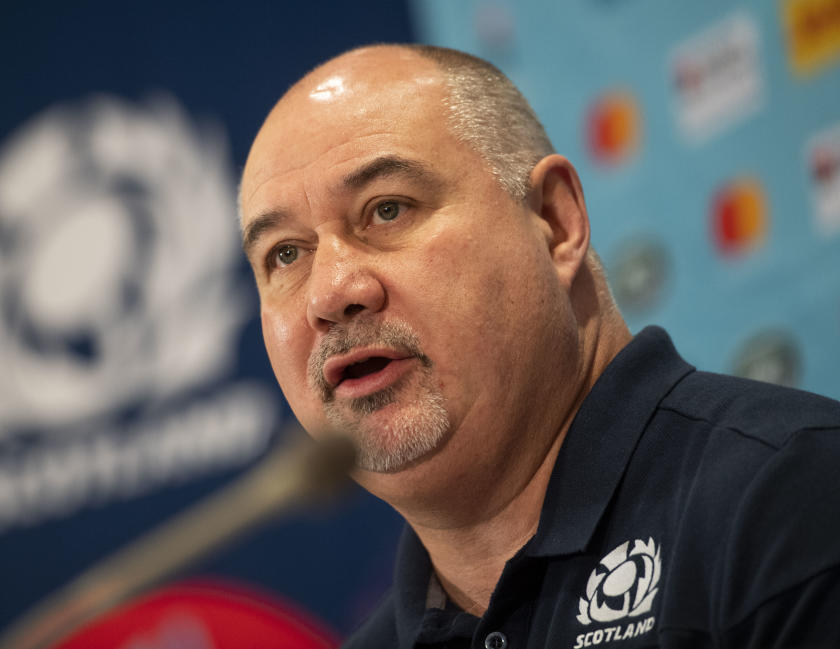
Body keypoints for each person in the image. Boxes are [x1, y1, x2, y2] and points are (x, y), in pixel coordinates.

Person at [238, 43, 840, 649]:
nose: (331, 292)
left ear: (555, 222)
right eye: (284, 254)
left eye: (387, 210)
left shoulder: (793, 500)